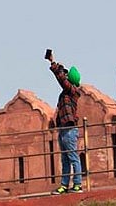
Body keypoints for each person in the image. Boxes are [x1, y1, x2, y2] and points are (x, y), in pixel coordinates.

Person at [47, 53, 83, 194]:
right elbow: (62, 79)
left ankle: (77, 185)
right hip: (63, 128)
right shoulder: (67, 92)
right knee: (65, 158)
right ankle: (64, 185)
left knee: (73, 157)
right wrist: (60, 67)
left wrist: (53, 63)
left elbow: (62, 79)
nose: (65, 76)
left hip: (69, 129)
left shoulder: (73, 91)